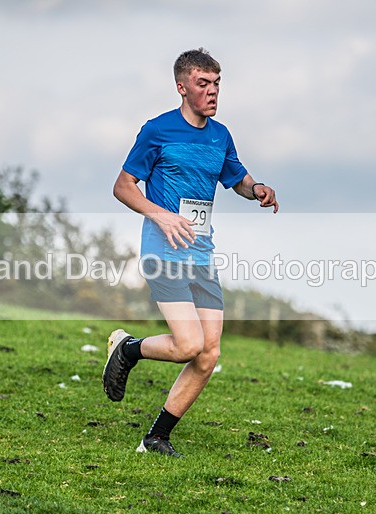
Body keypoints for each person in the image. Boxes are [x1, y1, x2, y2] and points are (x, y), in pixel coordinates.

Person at [103, 47, 278, 457]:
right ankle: (128, 349)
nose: (213, 91)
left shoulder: (221, 135)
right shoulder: (157, 130)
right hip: (162, 250)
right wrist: (161, 216)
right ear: (182, 87)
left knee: (208, 352)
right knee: (187, 345)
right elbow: (123, 186)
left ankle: (156, 437)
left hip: (201, 253)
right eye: (203, 84)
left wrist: (256, 189)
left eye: (217, 83)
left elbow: (235, 176)